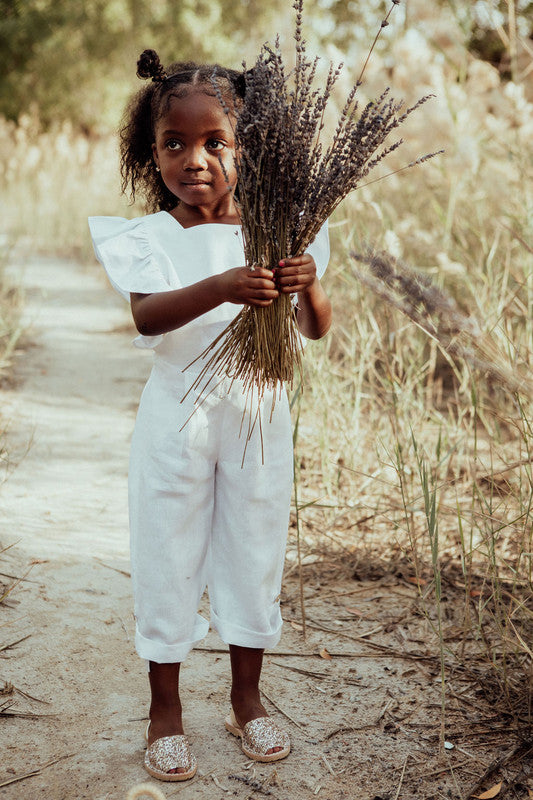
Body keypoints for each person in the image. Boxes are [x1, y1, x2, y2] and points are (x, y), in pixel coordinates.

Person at [89, 49, 332, 782]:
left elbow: (315, 330)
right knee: (167, 550)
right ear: (149, 150)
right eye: (174, 143)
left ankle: (246, 698)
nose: (194, 159)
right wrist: (222, 285)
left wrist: (307, 283)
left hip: (258, 416)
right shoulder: (150, 238)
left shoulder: (281, 228)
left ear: (246, 147)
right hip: (176, 420)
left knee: (255, 546)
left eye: (214, 142)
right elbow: (148, 320)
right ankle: (165, 708)